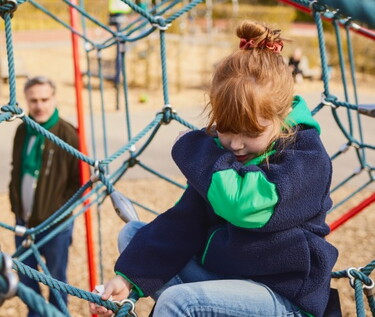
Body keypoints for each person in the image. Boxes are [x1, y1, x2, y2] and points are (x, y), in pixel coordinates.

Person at [89, 21, 339, 317]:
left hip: (283, 294)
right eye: (226, 129)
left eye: (251, 132)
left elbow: (244, 206)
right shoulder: (222, 159)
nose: (236, 144)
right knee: (132, 235)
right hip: (227, 276)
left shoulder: (305, 156)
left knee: (177, 302)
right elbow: (185, 221)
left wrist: (198, 151)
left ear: (282, 115)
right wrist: (127, 281)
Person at [9, 76, 80, 317]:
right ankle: (37, 313)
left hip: (55, 224)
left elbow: (78, 182)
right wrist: (15, 203)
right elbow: (16, 168)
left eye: (44, 99)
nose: (39, 105)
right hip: (24, 222)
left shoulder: (68, 134)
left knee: (56, 278)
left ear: (54, 99)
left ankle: (58, 313)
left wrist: (59, 210)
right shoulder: (23, 130)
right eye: (33, 100)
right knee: (25, 276)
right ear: (27, 101)